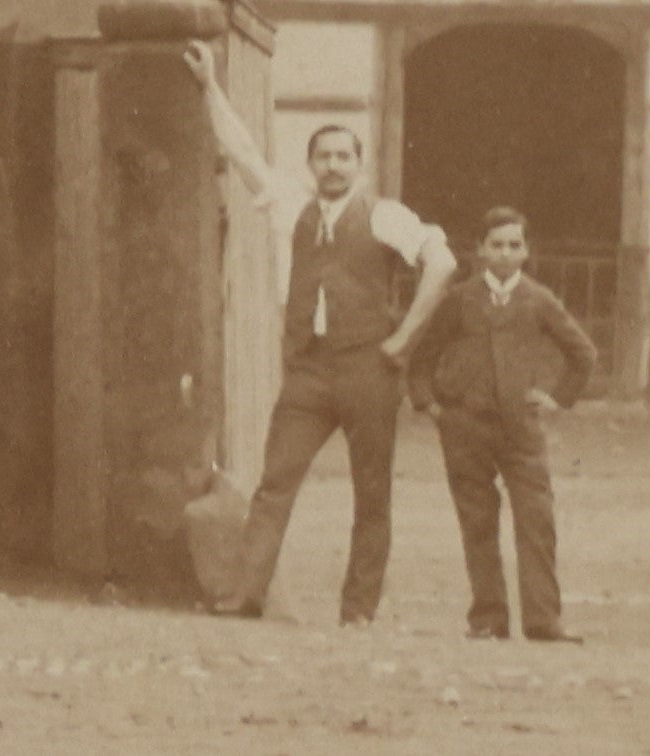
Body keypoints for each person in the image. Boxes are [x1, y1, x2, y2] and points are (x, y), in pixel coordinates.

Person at [183, 41, 460, 625]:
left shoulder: (386, 215)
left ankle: (357, 612)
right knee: (275, 483)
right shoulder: (293, 207)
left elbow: (443, 265)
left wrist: (403, 340)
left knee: (371, 494)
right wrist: (210, 87)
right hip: (309, 370)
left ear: (359, 164)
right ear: (311, 165)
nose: (333, 165)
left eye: (343, 156)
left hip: (369, 367)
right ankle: (246, 596)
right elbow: (243, 153)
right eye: (323, 156)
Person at [408, 207, 596, 643]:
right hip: (466, 427)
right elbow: (421, 360)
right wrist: (433, 407)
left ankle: (543, 620)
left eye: (515, 245)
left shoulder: (539, 300)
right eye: (497, 245)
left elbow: (583, 353)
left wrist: (556, 397)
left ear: (527, 251)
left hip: (521, 432)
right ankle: (488, 618)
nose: (506, 254)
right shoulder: (458, 300)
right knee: (477, 523)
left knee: (536, 519)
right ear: (479, 250)